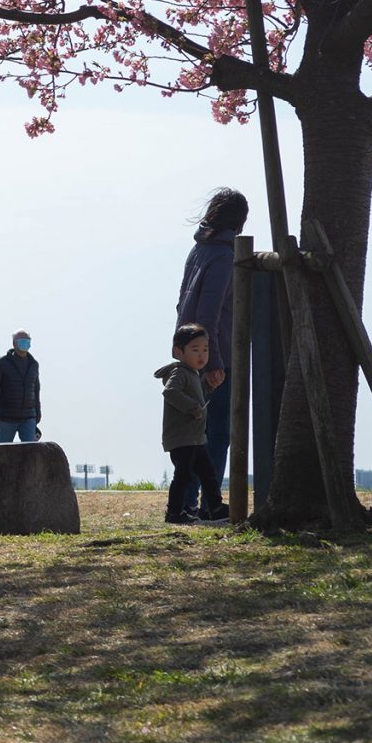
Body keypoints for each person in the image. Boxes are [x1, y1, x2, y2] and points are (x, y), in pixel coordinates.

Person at [176, 190, 248, 517]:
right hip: (214, 354)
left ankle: (188, 502)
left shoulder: (198, 249)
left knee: (197, 432)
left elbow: (184, 304)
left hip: (189, 352)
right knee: (217, 432)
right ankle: (208, 504)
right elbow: (211, 313)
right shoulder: (223, 255)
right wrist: (214, 362)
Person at [159, 322, 227, 524]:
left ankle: (215, 507)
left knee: (208, 472)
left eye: (205, 350)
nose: (202, 355)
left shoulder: (193, 374)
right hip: (182, 439)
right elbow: (170, 392)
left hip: (195, 439)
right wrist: (191, 407)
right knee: (184, 476)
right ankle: (174, 513)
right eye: (195, 350)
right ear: (178, 352)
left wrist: (208, 386)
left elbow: (196, 395)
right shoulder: (179, 372)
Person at [0, 331, 42, 443]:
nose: (25, 344)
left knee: (31, 451)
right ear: (14, 343)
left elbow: (36, 390)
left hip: (29, 416)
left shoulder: (33, 364)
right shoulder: (0, 363)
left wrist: (37, 413)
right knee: (3, 452)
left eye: (27, 341)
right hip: (6, 417)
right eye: (21, 341)